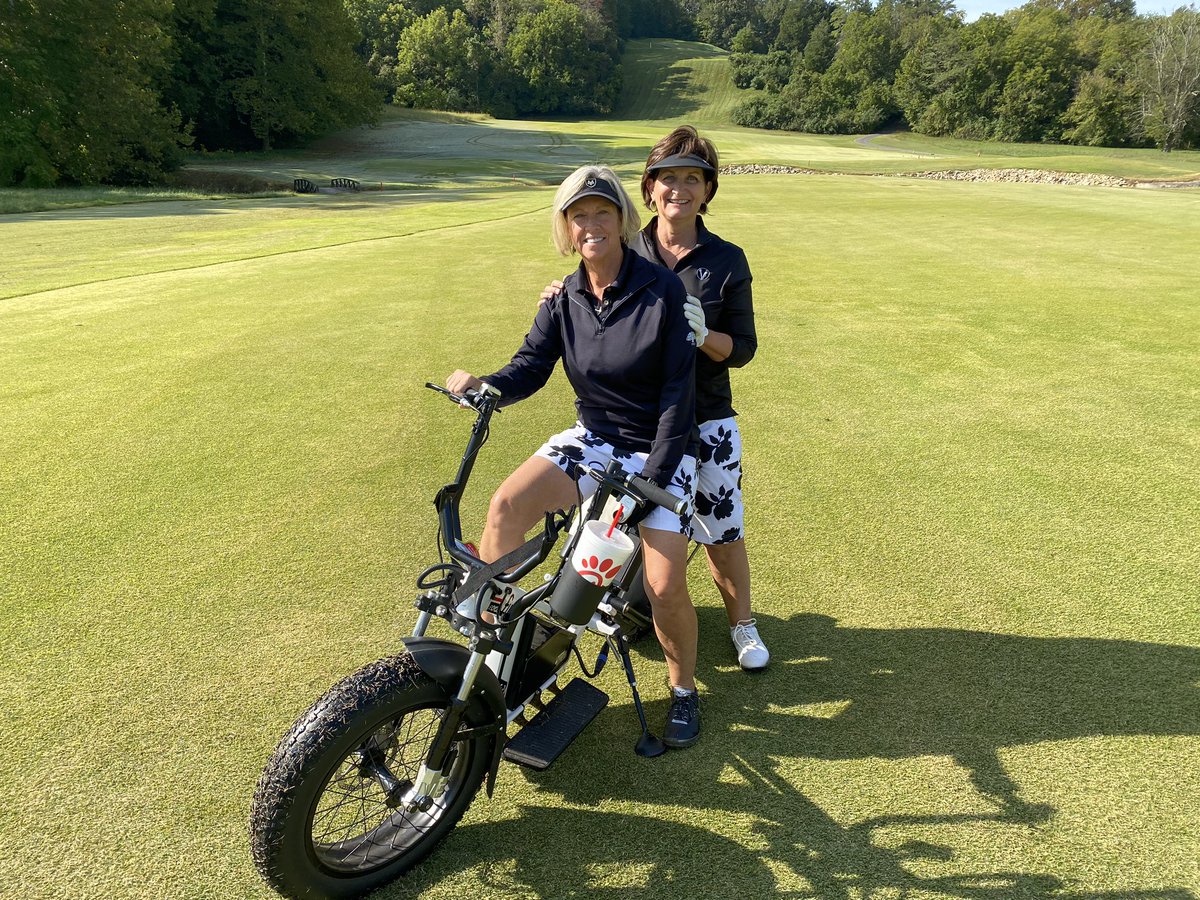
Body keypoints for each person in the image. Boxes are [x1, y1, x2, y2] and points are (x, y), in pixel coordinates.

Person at [446, 165, 705, 747]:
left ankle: (684, 691)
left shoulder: (664, 293)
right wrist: (485, 387)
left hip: (661, 451)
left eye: (602, 213)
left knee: (664, 585)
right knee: (506, 505)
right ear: (566, 228)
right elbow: (530, 367)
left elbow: (676, 399)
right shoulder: (563, 297)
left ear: (621, 221)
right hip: (593, 438)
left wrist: (649, 486)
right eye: (578, 215)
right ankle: (498, 663)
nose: (591, 225)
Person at [542, 128, 769, 672]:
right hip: (635, 423)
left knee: (722, 530)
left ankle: (742, 624)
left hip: (706, 419)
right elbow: (588, 289)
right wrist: (560, 297)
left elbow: (743, 349)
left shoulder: (726, 260)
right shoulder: (626, 244)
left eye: (693, 178)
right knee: (612, 523)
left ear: (707, 190)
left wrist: (704, 335)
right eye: (668, 178)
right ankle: (622, 606)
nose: (679, 189)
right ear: (648, 189)